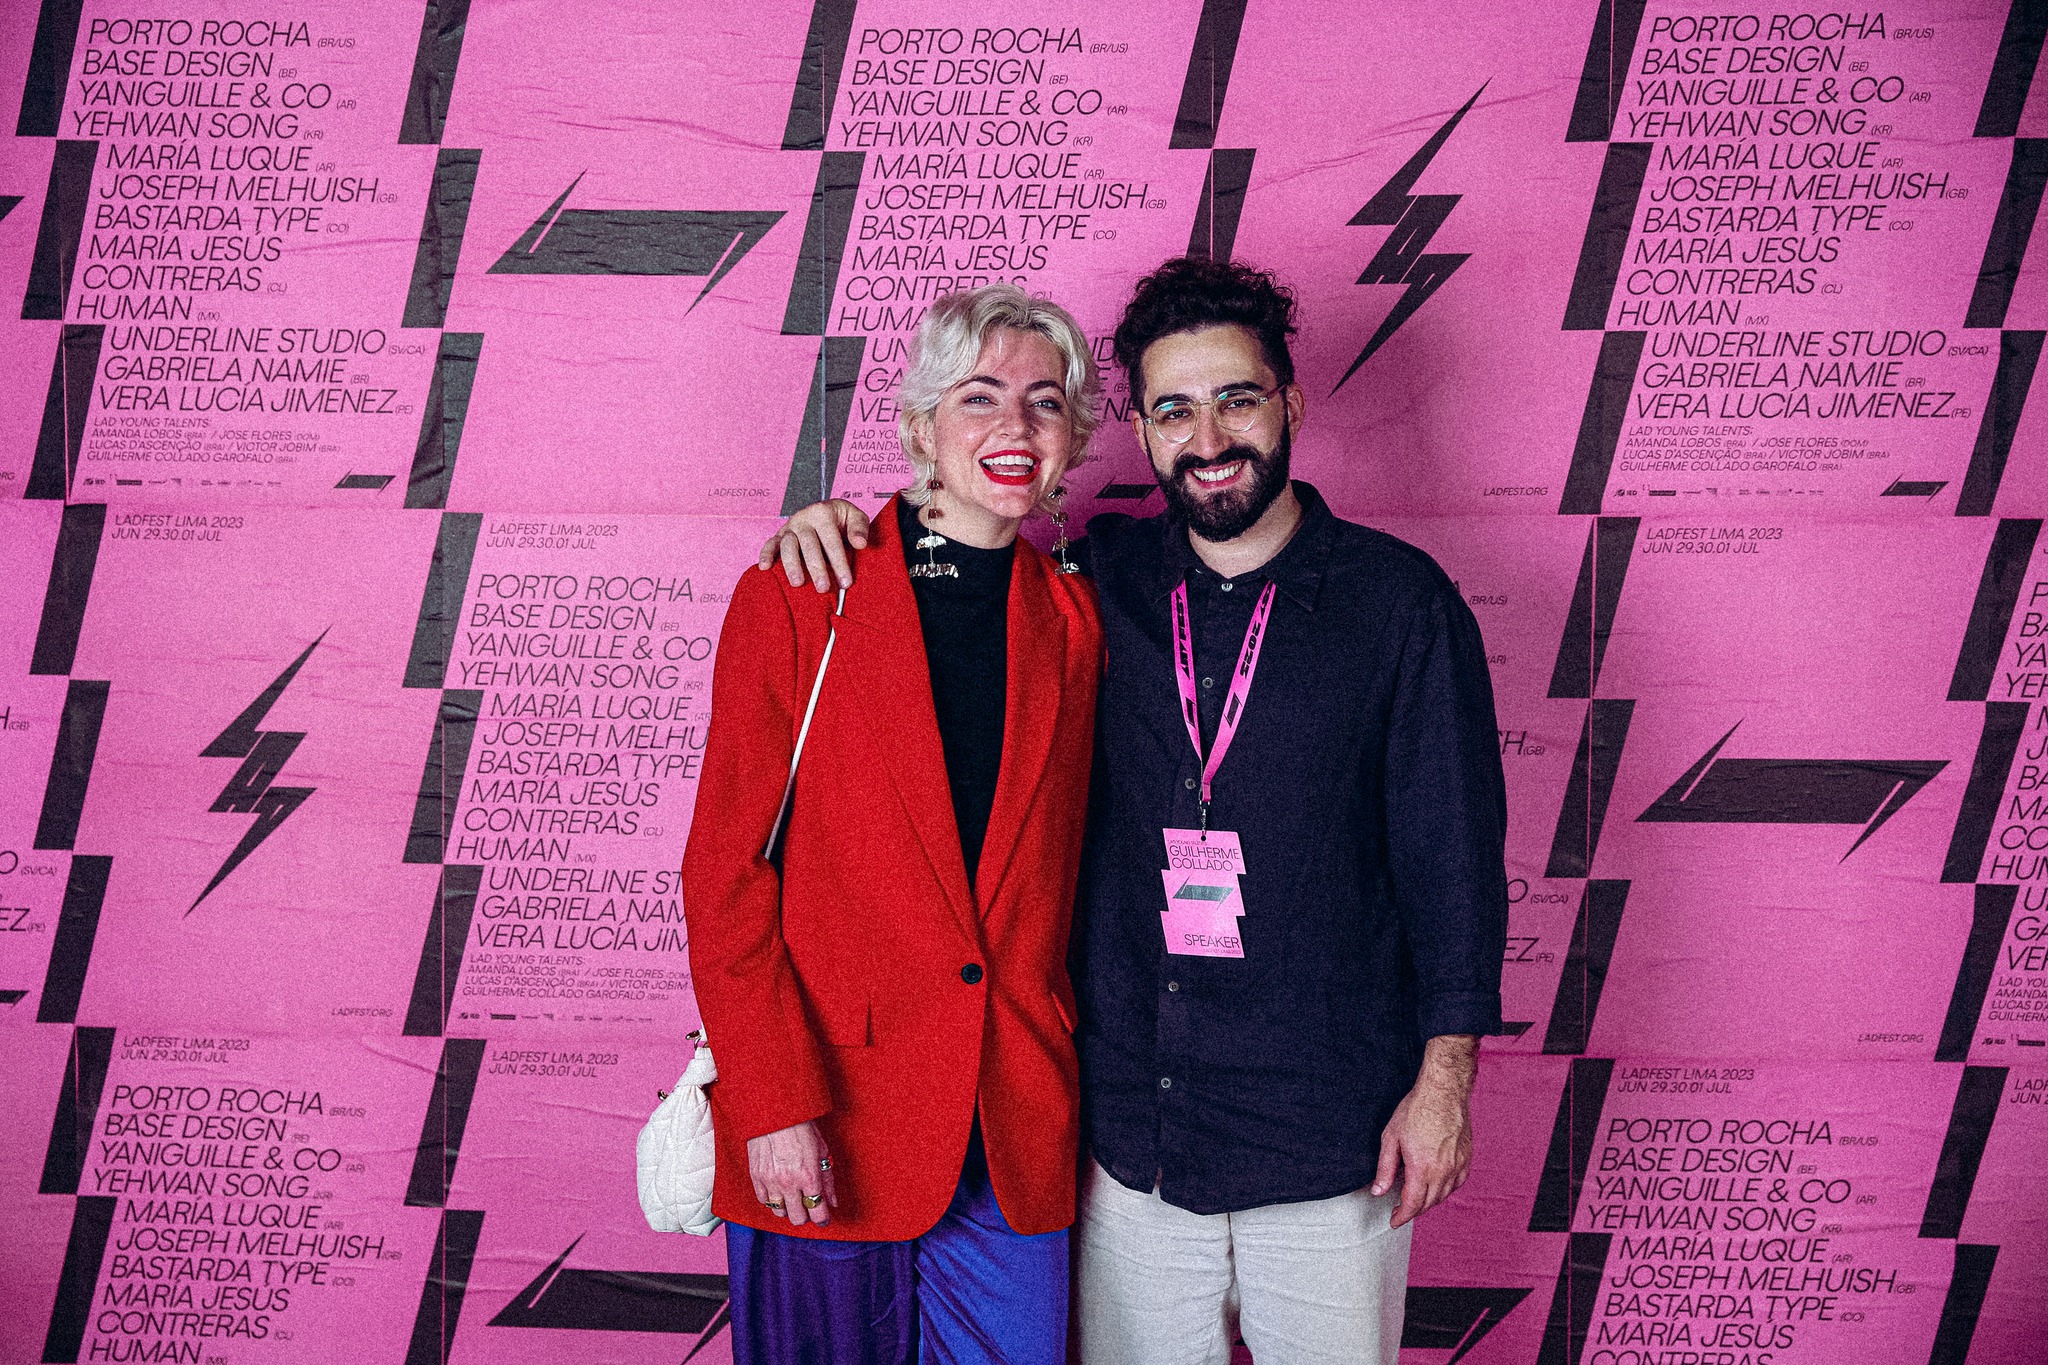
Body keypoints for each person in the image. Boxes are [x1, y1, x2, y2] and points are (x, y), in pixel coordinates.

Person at [760, 256, 1509, 1364]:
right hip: (1132, 1141)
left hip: (1332, 1137)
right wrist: (836, 527)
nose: (1209, 437)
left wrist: (1443, 1086)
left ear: (1291, 404)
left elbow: (1455, 867)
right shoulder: (1088, 580)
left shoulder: (1401, 605)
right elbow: (950, 545)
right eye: (1173, 409)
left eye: (1237, 399)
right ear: (1142, 429)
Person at [683, 284, 1103, 1365]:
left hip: (1012, 1120)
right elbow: (726, 872)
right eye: (980, 396)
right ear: (921, 427)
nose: (1016, 425)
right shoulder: (802, 592)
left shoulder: (1074, 618)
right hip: (824, 1119)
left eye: (1046, 401)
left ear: (1073, 439)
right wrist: (771, 1101)